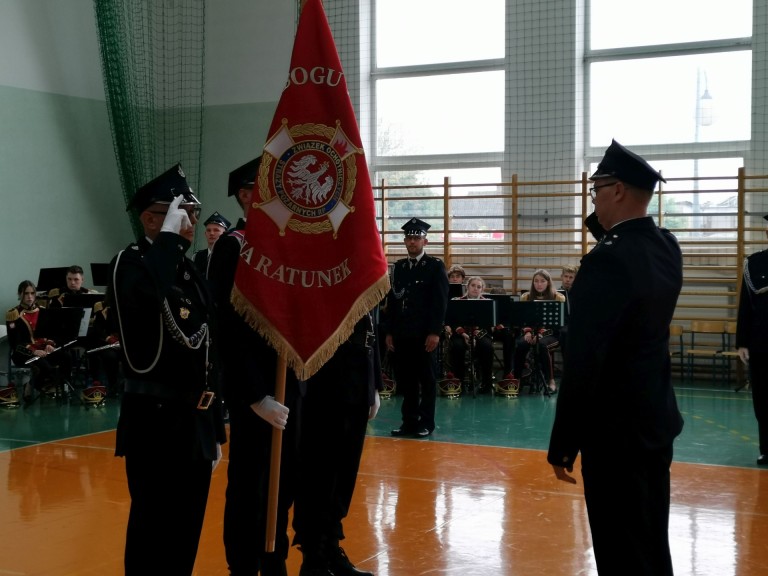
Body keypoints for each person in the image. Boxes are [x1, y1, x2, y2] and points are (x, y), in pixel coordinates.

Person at [547, 139, 684, 576]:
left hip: (614, 433)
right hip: (654, 421)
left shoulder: (604, 264)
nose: (593, 198)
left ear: (619, 190)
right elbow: (625, 236)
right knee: (649, 539)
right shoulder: (666, 246)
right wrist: (607, 223)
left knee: (620, 549)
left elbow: (585, 362)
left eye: (597, 190)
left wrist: (563, 444)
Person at [108, 163, 226, 575]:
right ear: (150, 218)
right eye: (181, 213)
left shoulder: (187, 269)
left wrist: (216, 428)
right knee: (151, 528)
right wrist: (170, 242)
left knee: (186, 529)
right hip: (155, 423)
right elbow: (143, 313)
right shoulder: (131, 263)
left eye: (192, 212)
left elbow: (209, 347)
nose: (192, 221)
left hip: (195, 423)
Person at [207, 155, 300, 576]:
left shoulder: (287, 246)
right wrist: (254, 394)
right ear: (246, 196)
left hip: (290, 382)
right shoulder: (233, 246)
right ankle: (243, 564)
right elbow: (226, 328)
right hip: (256, 389)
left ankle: (273, 555)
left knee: (284, 481)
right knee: (250, 483)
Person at [292, 311, 381, 576]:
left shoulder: (361, 272)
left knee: (344, 477)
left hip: (359, 379)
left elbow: (370, 324)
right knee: (320, 475)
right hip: (327, 382)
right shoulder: (324, 273)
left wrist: (374, 383)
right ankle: (314, 557)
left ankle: (331, 548)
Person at [385, 218, 449, 437]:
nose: (412, 242)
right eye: (409, 238)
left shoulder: (434, 266)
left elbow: (440, 303)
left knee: (427, 380)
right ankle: (408, 422)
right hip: (403, 334)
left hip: (424, 334)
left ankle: (426, 423)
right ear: (404, 241)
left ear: (425, 241)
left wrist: (434, 332)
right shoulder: (399, 268)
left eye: (416, 238)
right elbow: (393, 302)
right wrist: (390, 332)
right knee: (406, 380)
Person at [5, 280, 72, 403]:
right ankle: (31, 385)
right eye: (26, 293)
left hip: (43, 350)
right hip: (23, 352)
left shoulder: (43, 310)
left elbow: (51, 332)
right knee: (45, 366)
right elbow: (15, 343)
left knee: (66, 357)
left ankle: (55, 386)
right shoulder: (14, 314)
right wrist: (34, 351)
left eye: (32, 293)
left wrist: (50, 344)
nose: (30, 297)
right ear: (20, 294)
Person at [736, 214, 768, 466]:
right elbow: (745, 305)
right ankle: (766, 448)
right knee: (763, 399)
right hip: (762, 344)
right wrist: (742, 342)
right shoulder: (755, 264)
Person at [513, 269, 564, 395]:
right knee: (521, 344)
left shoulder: (558, 297)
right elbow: (522, 321)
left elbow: (557, 324)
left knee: (541, 345)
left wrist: (540, 334)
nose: (539, 284)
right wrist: (528, 332)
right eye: (536, 281)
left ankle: (550, 381)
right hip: (530, 333)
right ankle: (517, 379)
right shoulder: (526, 297)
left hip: (550, 334)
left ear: (548, 283)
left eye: (542, 281)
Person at [444, 276, 494, 393]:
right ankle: (458, 381)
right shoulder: (457, 301)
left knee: (487, 346)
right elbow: (452, 321)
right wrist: (464, 334)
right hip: (461, 334)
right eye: (473, 285)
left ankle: (486, 382)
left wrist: (475, 336)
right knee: (457, 347)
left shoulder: (487, 303)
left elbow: (489, 325)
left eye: (479, 287)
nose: (475, 289)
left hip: (480, 334)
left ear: (482, 289)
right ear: (467, 287)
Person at [194, 211, 231, 276]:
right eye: (208, 230)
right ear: (205, 234)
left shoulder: (229, 257)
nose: (211, 233)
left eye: (216, 230)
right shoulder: (197, 257)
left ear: (225, 234)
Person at [558, 264, 578, 359]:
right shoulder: (556, 294)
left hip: (575, 325)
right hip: (561, 326)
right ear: (562, 277)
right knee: (565, 333)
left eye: (571, 277)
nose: (568, 279)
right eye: (566, 276)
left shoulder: (578, 293)